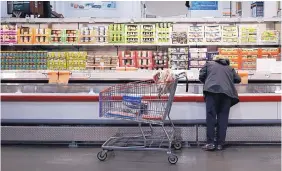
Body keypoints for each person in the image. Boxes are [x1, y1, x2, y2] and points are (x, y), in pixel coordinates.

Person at [199, 58, 241, 151]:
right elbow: (238, 79)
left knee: (211, 118)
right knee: (223, 119)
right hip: (226, 94)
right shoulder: (230, 68)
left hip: (211, 92)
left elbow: (201, 76)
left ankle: (210, 143)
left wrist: (208, 81)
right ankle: (220, 144)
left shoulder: (208, 64)